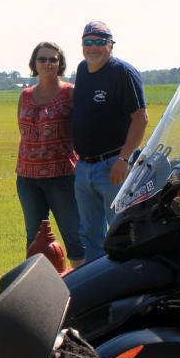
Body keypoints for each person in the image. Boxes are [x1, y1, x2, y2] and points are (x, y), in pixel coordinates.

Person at [71, 21, 148, 261]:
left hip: (113, 166)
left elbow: (140, 119)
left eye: (100, 42)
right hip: (84, 167)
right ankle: (95, 288)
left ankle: (126, 282)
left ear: (111, 45)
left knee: (120, 231)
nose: (93, 47)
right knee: (90, 234)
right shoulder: (82, 70)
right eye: (88, 42)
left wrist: (124, 159)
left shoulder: (123, 73)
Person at [16, 42, 84, 267]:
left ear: (60, 63)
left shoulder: (71, 93)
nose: (47, 63)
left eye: (53, 59)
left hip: (62, 176)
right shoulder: (24, 95)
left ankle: (82, 290)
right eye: (42, 59)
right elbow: (24, 133)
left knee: (74, 235)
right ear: (34, 64)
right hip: (27, 178)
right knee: (34, 238)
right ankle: (36, 292)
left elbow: (81, 130)